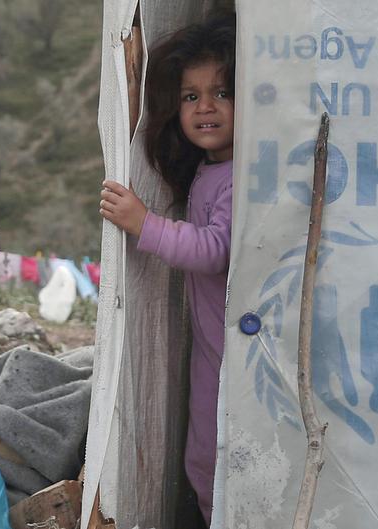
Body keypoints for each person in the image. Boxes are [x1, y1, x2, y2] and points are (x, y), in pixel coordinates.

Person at [98, 12, 235, 525]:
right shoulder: (212, 169)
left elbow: (215, 250)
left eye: (222, 93)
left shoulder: (242, 176)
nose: (205, 108)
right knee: (202, 456)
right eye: (190, 96)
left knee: (221, 456)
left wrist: (145, 224)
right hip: (212, 348)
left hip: (237, 356)